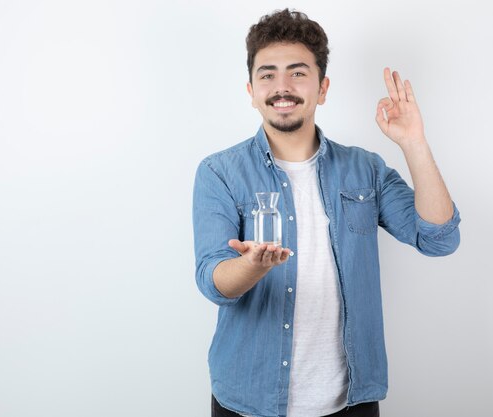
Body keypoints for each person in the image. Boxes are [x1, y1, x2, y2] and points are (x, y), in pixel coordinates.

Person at [193, 8, 461, 417]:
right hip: (248, 399)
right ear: (251, 90)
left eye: (298, 73)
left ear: (322, 88)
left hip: (349, 402)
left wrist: (414, 144)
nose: (282, 86)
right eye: (267, 74)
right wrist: (251, 266)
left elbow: (439, 238)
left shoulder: (365, 169)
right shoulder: (219, 172)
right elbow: (214, 282)